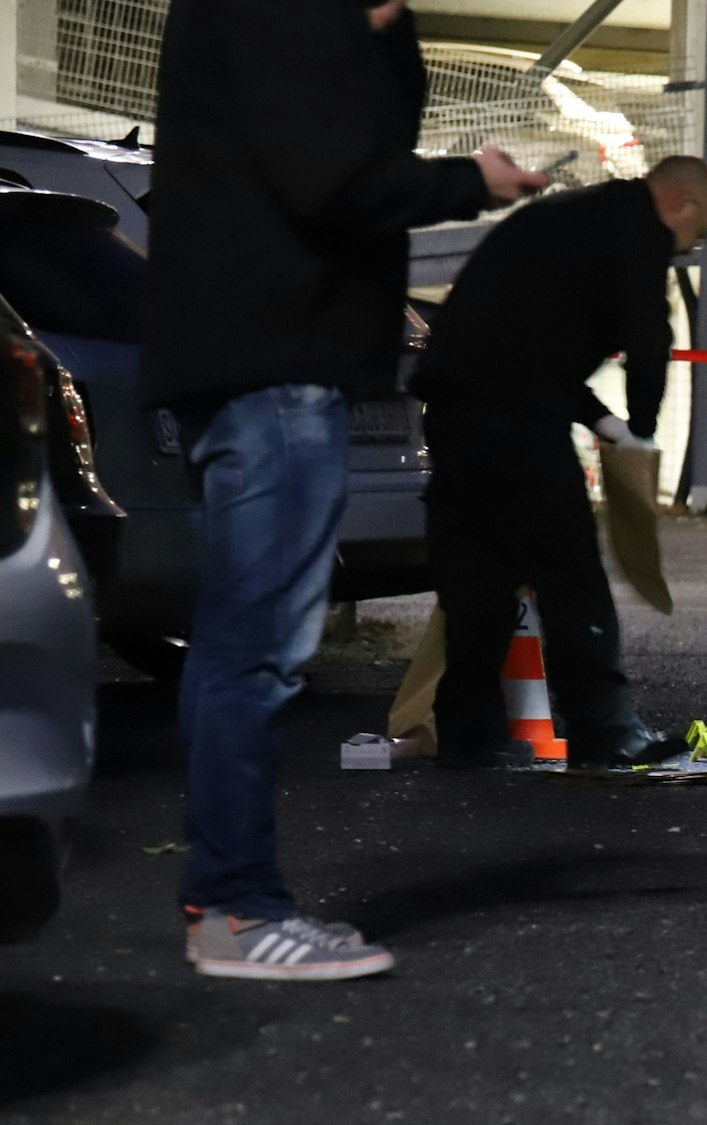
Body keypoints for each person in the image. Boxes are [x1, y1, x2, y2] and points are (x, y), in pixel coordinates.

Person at [143, 0, 545, 979]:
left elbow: (332, 139)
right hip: (276, 364)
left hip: (249, 360)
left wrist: (380, 31)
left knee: (236, 646)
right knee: (257, 651)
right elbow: (332, 171)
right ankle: (237, 911)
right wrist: (472, 181)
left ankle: (226, 898)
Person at [412, 157, 707, 771]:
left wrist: (601, 421)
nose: (688, 247)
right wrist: (640, 428)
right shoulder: (638, 231)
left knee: (480, 575)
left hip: (454, 404)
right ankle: (603, 729)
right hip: (515, 420)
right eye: (699, 234)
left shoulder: (570, 216)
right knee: (571, 573)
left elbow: (527, 341)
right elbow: (647, 338)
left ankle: (469, 734)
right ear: (683, 205)